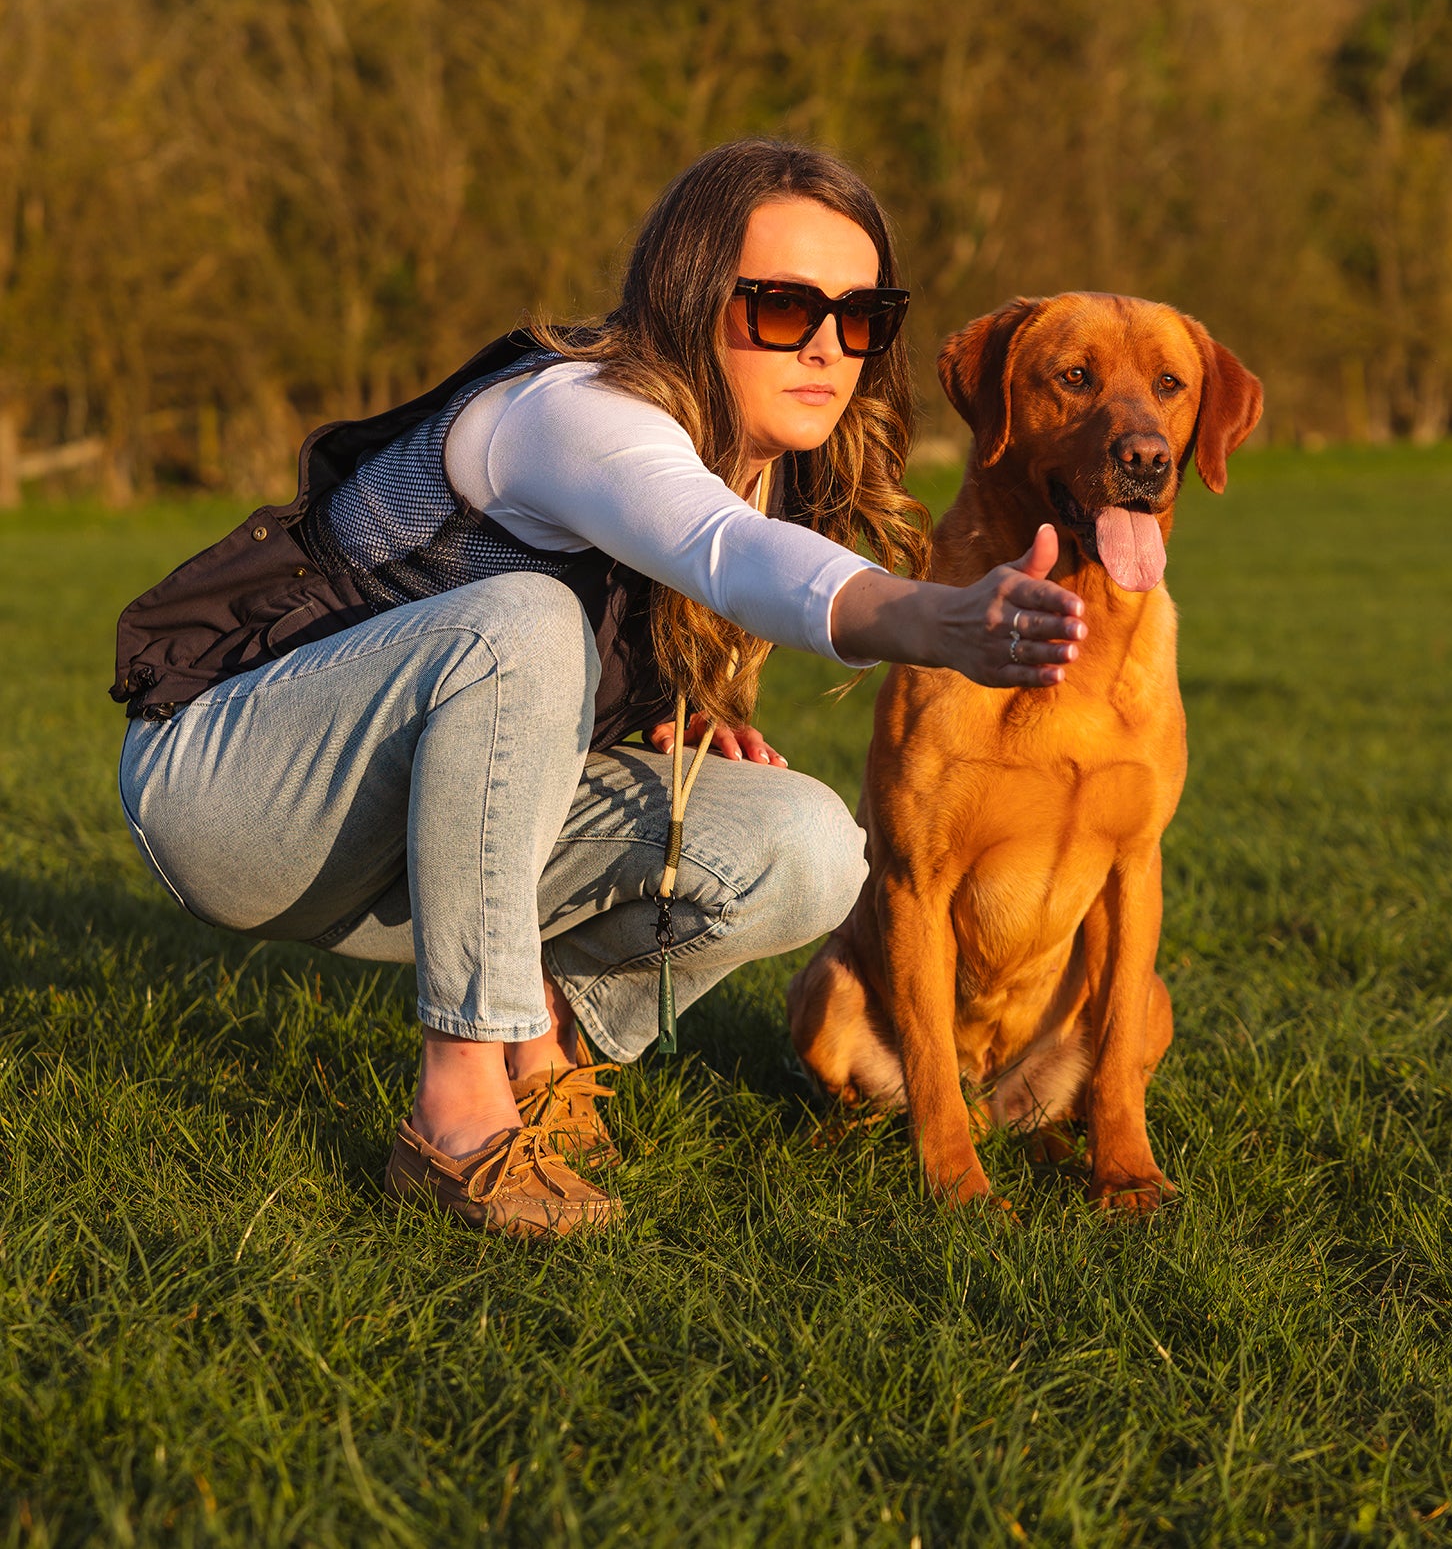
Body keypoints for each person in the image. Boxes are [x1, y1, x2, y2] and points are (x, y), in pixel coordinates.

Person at [113, 140, 1088, 1241]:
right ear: (685, 295)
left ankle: (549, 1055)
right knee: (520, 620)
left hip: (405, 842)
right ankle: (460, 1108)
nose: (825, 345)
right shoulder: (570, 408)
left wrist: (665, 705)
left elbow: (684, 574)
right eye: (779, 306)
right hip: (236, 791)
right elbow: (712, 546)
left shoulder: (781, 458)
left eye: (860, 316)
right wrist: (928, 614)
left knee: (806, 843)